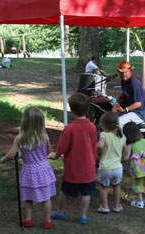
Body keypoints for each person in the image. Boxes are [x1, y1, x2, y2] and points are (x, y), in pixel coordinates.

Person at [0, 106, 56, 229]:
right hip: (44, 170)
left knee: (28, 197)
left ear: (24, 121)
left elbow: (11, 154)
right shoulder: (44, 136)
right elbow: (49, 151)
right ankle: (47, 221)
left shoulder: (20, 138)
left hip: (29, 172)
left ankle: (28, 219)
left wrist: (3, 159)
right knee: (46, 198)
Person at [49, 93, 97, 224]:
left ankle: (60, 212)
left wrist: (55, 156)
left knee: (65, 191)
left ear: (71, 110)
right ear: (87, 109)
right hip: (89, 168)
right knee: (86, 193)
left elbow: (62, 148)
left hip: (73, 169)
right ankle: (83, 216)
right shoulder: (92, 127)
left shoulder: (69, 128)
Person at [96, 111, 128, 213]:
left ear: (104, 125)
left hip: (105, 167)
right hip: (118, 167)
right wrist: (120, 157)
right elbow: (126, 151)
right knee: (117, 186)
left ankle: (105, 206)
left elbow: (100, 145)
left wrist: (97, 152)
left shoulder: (104, 135)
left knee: (103, 187)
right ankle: (117, 206)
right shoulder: (122, 136)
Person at [112, 61, 145, 129]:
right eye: (122, 72)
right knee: (111, 118)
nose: (123, 74)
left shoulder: (134, 84)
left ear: (130, 71)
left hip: (140, 113)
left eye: (126, 72)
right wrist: (117, 104)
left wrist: (125, 110)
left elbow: (138, 103)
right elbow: (125, 95)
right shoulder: (124, 81)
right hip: (131, 111)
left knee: (118, 122)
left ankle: (121, 139)